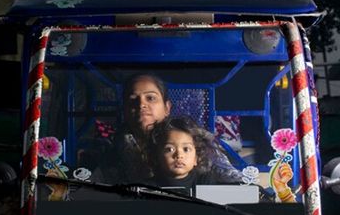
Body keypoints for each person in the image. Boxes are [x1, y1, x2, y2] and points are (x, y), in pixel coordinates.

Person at [93, 73, 242, 184]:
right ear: (124, 110)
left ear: (167, 107)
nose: (141, 105)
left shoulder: (192, 138)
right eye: (133, 100)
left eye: (150, 98)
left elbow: (231, 178)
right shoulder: (114, 148)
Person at [147, 116, 238, 191]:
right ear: (156, 156)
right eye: (170, 149)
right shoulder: (147, 188)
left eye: (186, 149)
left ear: (196, 158)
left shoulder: (205, 181)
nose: (179, 155)